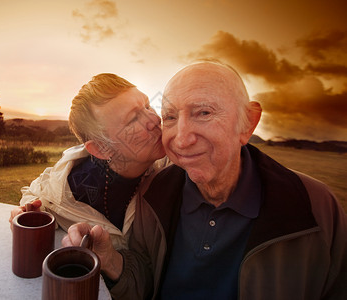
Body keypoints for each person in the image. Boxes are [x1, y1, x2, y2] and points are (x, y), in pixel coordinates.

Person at [63, 61, 347, 299]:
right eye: (170, 116)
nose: (182, 139)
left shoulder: (315, 209)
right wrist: (111, 260)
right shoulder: (154, 194)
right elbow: (144, 282)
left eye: (204, 112)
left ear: (247, 123)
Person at [9, 73, 167, 250]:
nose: (155, 119)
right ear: (101, 148)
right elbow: (40, 193)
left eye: (147, 106)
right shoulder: (71, 189)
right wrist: (27, 211)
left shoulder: (175, 163)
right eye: (133, 119)